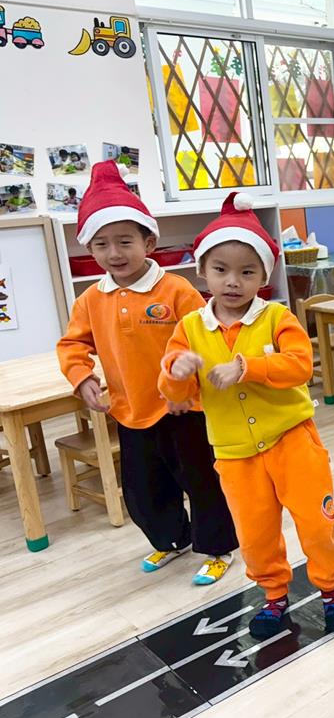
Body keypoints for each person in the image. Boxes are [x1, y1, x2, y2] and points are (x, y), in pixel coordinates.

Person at [158, 192, 334, 639]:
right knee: (255, 534)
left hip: (293, 439)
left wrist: (248, 367)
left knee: (317, 523)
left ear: (264, 275)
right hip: (234, 453)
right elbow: (174, 395)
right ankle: (273, 597)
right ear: (202, 271)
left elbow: (300, 365)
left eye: (247, 272)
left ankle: (331, 589)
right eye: (221, 270)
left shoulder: (277, 317)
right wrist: (177, 372)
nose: (233, 282)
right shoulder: (189, 328)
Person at [57, 161, 237, 583]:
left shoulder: (176, 290)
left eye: (124, 241)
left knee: (203, 482)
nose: (114, 253)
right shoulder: (91, 300)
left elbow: (205, 338)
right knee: (143, 489)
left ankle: (218, 547)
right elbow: (72, 345)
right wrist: (82, 377)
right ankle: (172, 539)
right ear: (90, 249)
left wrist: (188, 384)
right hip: (130, 410)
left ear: (149, 242)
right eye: (101, 244)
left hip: (184, 409)